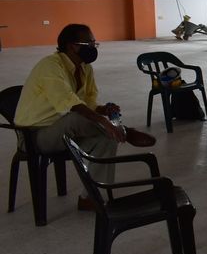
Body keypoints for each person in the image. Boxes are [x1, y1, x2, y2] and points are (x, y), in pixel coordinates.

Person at [15, 24, 156, 210]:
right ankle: (124, 131)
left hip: (64, 131)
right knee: (78, 119)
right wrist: (104, 122)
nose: (93, 47)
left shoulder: (85, 68)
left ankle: (90, 197)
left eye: (94, 43)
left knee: (108, 139)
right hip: (34, 136)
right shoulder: (50, 66)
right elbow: (69, 102)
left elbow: (87, 103)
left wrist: (103, 110)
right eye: (88, 43)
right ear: (71, 46)